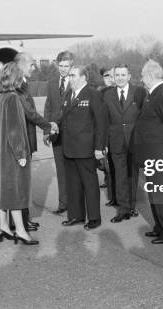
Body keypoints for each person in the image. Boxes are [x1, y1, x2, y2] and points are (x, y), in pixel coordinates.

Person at [132, 60, 163, 244]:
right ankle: (160, 226)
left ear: (151, 75)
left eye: (143, 75)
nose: (141, 79)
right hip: (151, 152)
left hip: (159, 152)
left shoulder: (162, 93)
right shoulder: (152, 94)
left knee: (161, 191)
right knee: (154, 190)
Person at [0, 62, 38, 245]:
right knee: (16, 192)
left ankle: (3, 226)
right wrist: (21, 154)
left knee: (3, 191)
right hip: (11, 154)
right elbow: (14, 130)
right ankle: (20, 231)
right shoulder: (12, 98)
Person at [56, 65, 107, 230]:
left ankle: (94, 217)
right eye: (69, 76)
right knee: (73, 184)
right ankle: (76, 215)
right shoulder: (68, 94)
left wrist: (99, 148)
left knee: (90, 184)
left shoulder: (93, 94)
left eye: (73, 75)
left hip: (85, 148)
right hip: (69, 147)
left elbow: (101, 123)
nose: (70, 78)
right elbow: (63, 119)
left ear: (83, 77)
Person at [15, 52, 55, 231]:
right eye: (31, 64)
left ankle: (24, 218)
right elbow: (29, 112)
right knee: (20, 183)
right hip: (21, 141)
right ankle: (19, 221)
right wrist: (47, 126)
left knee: (24, 182)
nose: (34, 67)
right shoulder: (17, 85)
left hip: (26, 139)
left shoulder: (24, 84)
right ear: (21, 64)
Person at [102, 64, 147, 223]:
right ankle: (123, 209)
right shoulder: (107, 95)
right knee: (120, 175)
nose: (120, 78)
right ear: (113, 77)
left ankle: (132, 205)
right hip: (115, 141)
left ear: (129, 76)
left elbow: (145, 117)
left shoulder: (140, 93)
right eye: (117, 75)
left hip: (134, 141)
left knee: (133, 175)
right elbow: (104, 121)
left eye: (123, 75)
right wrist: (103, 143)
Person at [43, 51, 73, 215]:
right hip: (56, 133)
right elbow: (48, 106)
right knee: (61, 171)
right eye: (60, 66)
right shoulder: (52, 82)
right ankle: (63, 203)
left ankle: (76, 204)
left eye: (66, 66)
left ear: (71, 66)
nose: (63, 69)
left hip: (73, 134)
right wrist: (46, 130)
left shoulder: (76, 82)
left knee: (74, 171)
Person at [97, 66, 117, 204]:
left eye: (111, 75)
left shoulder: (123, 91)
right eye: (106, 76)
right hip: (106, 136)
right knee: (109, 168)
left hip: (120, 136)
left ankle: (128, 201)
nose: (109, 78)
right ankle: (113, 197)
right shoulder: (100, 93)